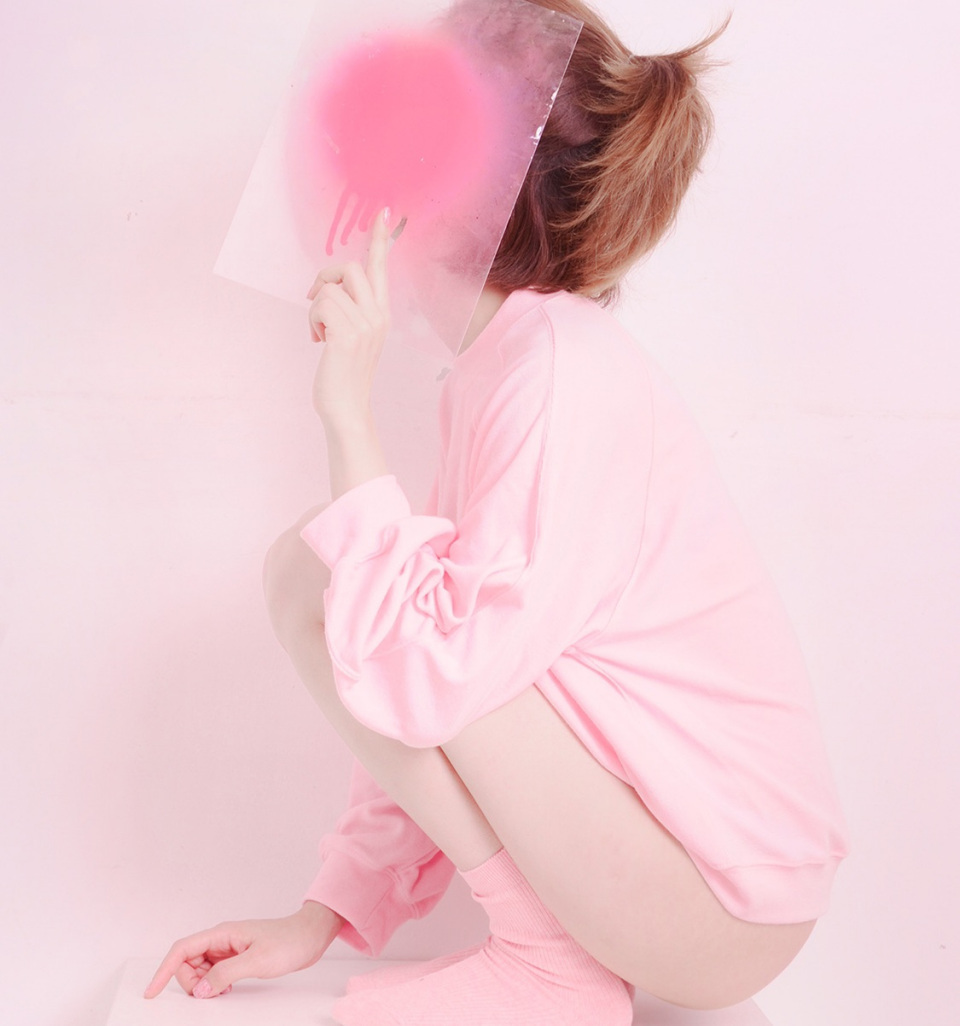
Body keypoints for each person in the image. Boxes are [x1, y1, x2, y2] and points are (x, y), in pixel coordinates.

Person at [145, 1, 848, 1021]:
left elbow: (426, 672)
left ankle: (549, 965)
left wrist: (348, 413)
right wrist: (322, 915)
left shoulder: (557, 373)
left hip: (718, 904)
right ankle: (547, 955)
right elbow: (420, 659)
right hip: (686, 878)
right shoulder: (510, 364)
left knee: (345, 580)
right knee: (348, 579)